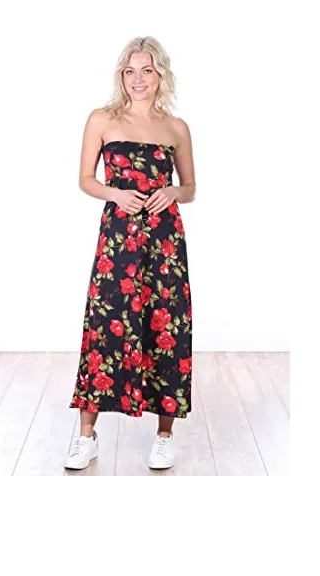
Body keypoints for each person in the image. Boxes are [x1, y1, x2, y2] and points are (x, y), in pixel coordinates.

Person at [65, 36, 196, 471]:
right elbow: (86, 179)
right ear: (121, 75)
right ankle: (86, 437)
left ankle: (164, 436)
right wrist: (115, 194)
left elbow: (190, 188)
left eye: (147, 70)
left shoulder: (175, 127)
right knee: (105, 326)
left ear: (161, 75)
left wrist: (172, 192)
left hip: (164, 240)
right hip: (118, 239)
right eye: (130, 71)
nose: (138, 79)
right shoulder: (102, 119)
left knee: (166, 325)